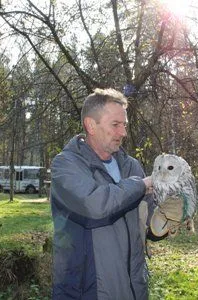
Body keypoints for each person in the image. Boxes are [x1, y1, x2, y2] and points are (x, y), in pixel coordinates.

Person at [50, 88, 153, 300]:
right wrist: (140, 186)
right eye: (115, 125)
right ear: (91, 125)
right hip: (86, 291)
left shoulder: (131, 166)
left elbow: (147, 222)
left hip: (133, 290)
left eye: (124, 125)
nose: (123, 132)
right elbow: (94, 206)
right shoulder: (65, 165)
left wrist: (165, 224)